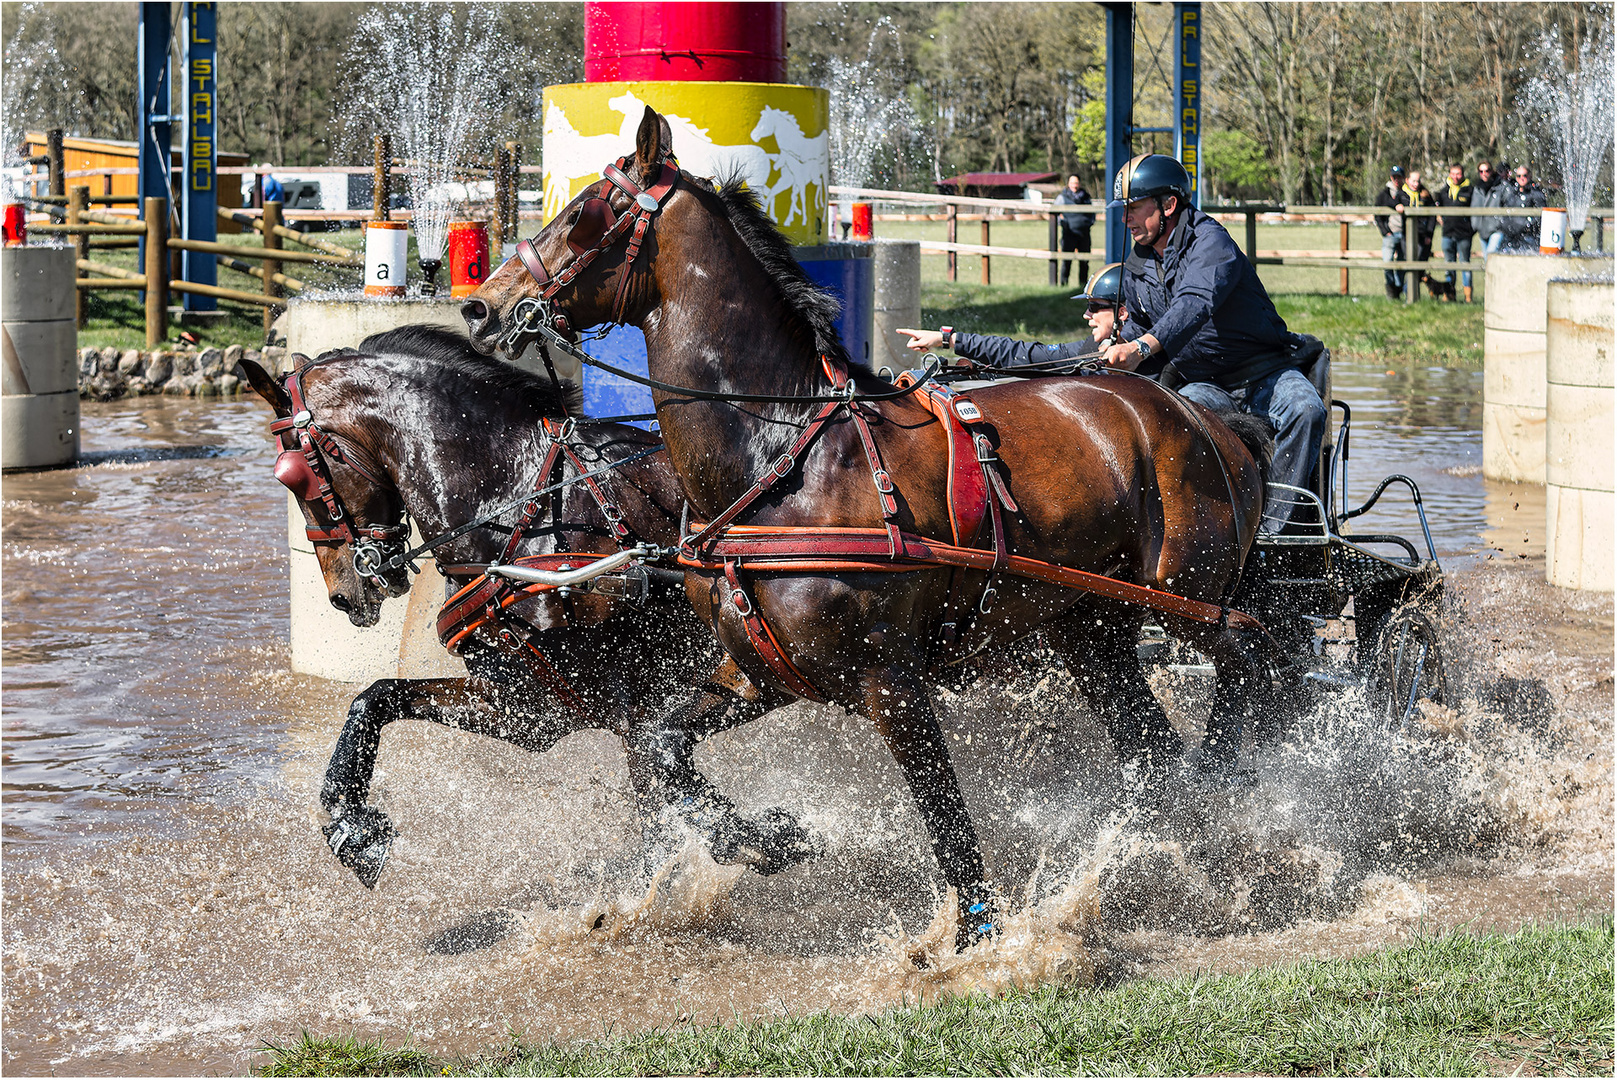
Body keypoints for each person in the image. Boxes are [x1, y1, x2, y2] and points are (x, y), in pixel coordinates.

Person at [1101, 153, 1327, 530]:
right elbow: (1137, 332)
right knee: (1174, 417)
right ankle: (1202, 529)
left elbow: (1195, 303)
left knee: (1307, 410)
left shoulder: (1211, 241)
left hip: (1265, 374)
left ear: (1169, 205)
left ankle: (1275, 530)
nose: (1126, 218)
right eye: (1124, 209)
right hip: (1206, 383)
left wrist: (1141, 348)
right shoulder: (1137, 266)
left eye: (1135, 208)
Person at [897, 263, 1129, 369]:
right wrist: (947, 339)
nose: (1086, 314)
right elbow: (1023, 354)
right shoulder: (1090, 348)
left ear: (1122, 312)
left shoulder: (1147, 364)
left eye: (1095, 307)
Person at [1433, 163, 1475, 302]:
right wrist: (1439, 218)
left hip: (1464, 234)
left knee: (1465, 264)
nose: (1455, 177)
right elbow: (1437, 207)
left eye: (1458, 173)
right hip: (1447, 234)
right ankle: (1449, 295)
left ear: (1463, 174)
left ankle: (1468, 297)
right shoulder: (1444, 191)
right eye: (1453, 173)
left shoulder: (1469, 190)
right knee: (1449, 264)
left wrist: (1470, 229)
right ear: (1449, 174)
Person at [1374, 166, 1409, 300]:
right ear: (1391, 178)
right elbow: (1377, 215)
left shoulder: (1407, 193)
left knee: (1402, 264)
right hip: (1390, 235)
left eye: (1399, 177)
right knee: (1387, 263)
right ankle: (1391, 290)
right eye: (1394, 177)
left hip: (1405, 235)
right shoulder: (1384, 194)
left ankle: (1398, 290)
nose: (1396, 179)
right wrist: (1385, 232)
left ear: (1403, 178)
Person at [1053, 175, 1094, 286]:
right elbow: (1054, 212)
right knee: (1067, 261)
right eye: (1072, 183)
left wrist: (1089, 223)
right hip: (1069, 234)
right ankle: (1063, 285)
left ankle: (1083, 285)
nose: (1074, 185)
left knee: (1084, 261)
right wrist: (1062, 223)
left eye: (1076, 183)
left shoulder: (1086, 197)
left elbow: (1092, 213)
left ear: (1079, 184)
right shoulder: (1062, 197)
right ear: (1068, 184)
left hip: (1084, 234)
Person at [1405, 169, 1440, 298]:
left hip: (1423, 236)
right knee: (1408, 263)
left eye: (1418, 181)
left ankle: (1413, 295)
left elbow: (1432, 216)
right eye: (1413, 180)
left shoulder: (1425, 195)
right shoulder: (1402, 194)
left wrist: (1428, 235)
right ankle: (1407, 293)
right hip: (1406, 236)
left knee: (1419, 264)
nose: (1416, 183)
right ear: (1407, 180)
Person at [1500, 164, 1547, 252]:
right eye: (1519, 176)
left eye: (1525, 175)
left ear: (1530, 176)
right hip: (1511, 237)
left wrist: (1526, 226)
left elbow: (1541, 215)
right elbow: (1506, 211)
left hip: (1529, 237)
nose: (1522, 178)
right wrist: (1506, 226)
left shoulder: (1536, 193)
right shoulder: (1512, 193)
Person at [1472, 160, 1506, 256]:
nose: (1484, 174)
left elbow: (1507, 205)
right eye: (1481, 171)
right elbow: (1474, 208)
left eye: (1487, 171)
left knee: (1490, 254)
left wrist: (1500, 223)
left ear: (1492, 171)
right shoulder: (1477, 188)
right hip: (1483, 230)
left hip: (1497, 229)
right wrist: (1476, 225)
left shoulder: (1501, 187)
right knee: (1487, 259)